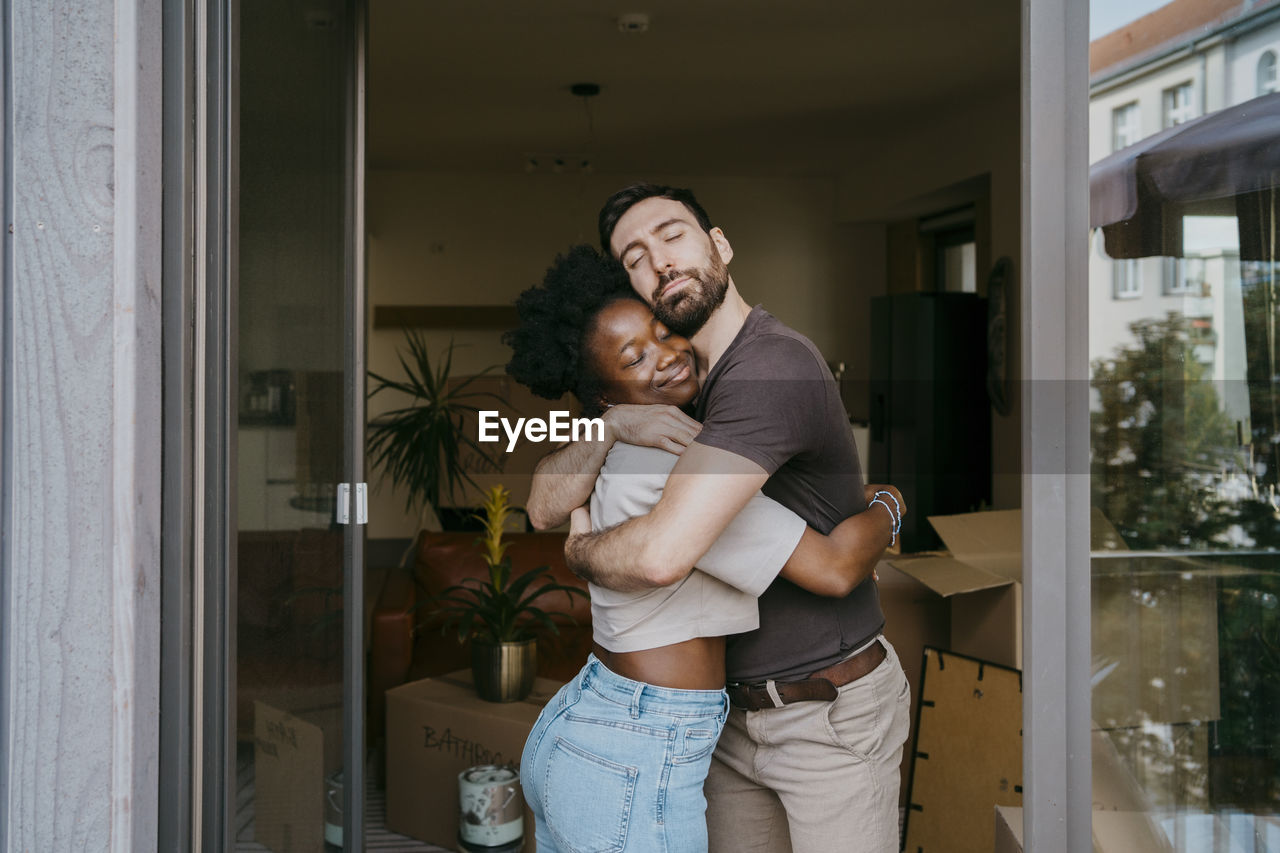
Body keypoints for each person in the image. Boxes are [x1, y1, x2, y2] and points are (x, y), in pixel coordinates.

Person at [525, 185, 912, 853]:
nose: (660, 262)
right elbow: (543, 505)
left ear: (720, 244)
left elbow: (823, 566)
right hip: (717, 721)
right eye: (636, 256)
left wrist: (888, 502)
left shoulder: (762, 372)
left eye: (672, 234)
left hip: (820, 713)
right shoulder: (670, 416)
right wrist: (612, 424)